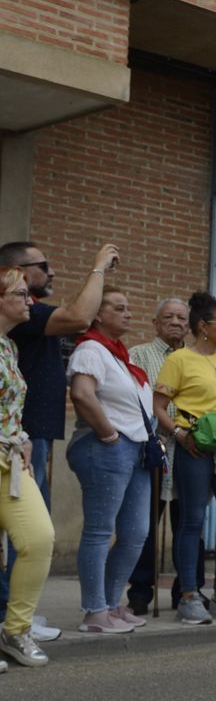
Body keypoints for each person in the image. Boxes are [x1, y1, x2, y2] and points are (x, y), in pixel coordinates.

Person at [153, 292, 216, 626]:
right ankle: (188, 596)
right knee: (193, 520)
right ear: (202, 327)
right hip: (194, 447)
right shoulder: (178, 360)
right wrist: (179, 435)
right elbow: (158, 407)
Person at [66, 286, 156, 634]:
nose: (128, 313)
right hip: (106, 446)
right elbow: (82, 394)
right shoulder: (91, 349)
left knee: (136, 533)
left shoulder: (119, 355)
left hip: (135, 450)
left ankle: (111, 603)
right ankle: (94, 612)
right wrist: (108, 434)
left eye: (129, 307)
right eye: (119, 307)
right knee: (100, 531)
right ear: (98, 315)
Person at [0, 240, 119, 505]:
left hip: (34, 431)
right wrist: (98, 268)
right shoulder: (22, 315)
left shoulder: (26, 317)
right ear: (20, 270)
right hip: (24, 432)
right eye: (44, 266)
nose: (52, 272)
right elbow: (80, 317)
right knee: (25, 516)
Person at [0, 266, 55, 668]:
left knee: (39, 538)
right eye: (21, 294)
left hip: (12, 462)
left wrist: (25, 440)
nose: (29, 301)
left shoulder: (9, 347)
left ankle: (15, 629)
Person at [126, 296, 189, 615]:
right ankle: (139, 594)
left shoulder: (196, 359)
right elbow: (134, 400)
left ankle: (186, 593)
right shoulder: (138, 354)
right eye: (168, 317)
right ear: (155, 322)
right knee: (146, 523)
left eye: (181, 318)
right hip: (151, 448)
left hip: (189, 450)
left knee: (187, 523)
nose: (176, 322)